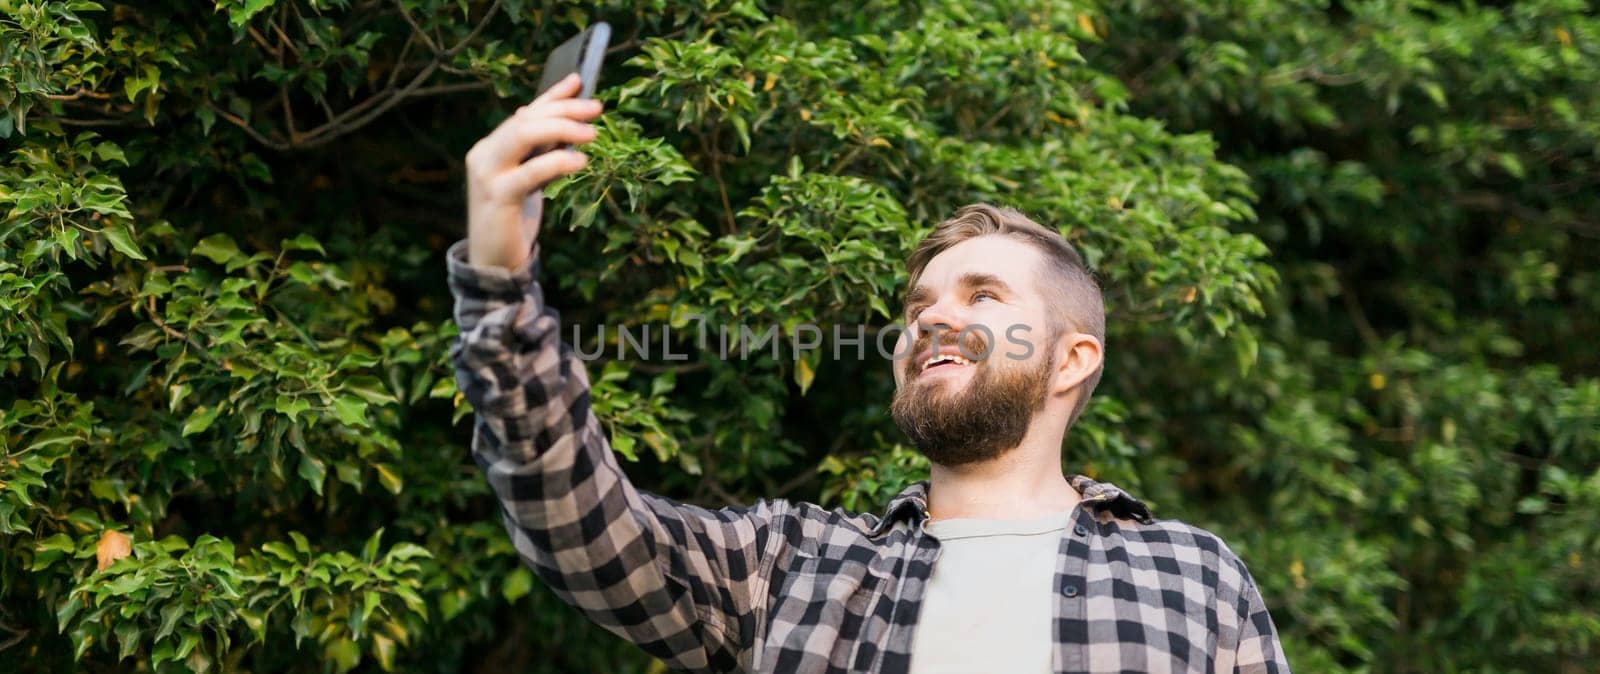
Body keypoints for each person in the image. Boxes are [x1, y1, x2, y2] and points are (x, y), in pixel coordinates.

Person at [447, 73, 1291, 674]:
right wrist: (498, 282)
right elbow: (580, 528)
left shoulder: (1193, 575)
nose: (932, 317)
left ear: (1073, 359)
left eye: (984, 294)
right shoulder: (791, 565)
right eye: (919, 304)